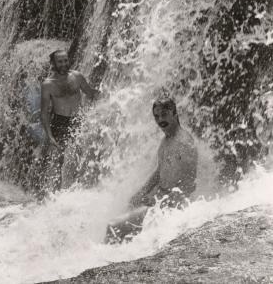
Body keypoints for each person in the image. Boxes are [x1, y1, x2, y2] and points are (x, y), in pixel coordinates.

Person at [106, 97, 198, 243]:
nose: (160, 120)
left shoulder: (183, 143)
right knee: (128, 216)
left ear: (174, 113)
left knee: (113, 227)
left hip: (172, 208)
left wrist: (156, 200)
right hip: (163, 202)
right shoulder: (167, 140)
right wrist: (142, 192)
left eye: (164, 114)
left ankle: (104, 263)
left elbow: (184, 187)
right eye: (156, 116)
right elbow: (160, 171)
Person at [41, 49, 99, 181]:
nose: (63, 64)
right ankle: (55, 193)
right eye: (60, 62)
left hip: (78, 120)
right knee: (57, 160)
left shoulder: (77, 77)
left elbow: (90, 93)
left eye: (65, 60)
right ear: (53, 63)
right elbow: (44, 113)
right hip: (60, 122)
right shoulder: (47, 84)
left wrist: (110, 98)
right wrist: (50, 136)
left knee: (81, 155)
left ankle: (77, 187)